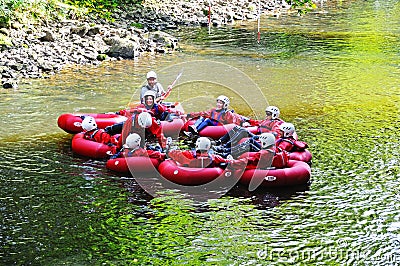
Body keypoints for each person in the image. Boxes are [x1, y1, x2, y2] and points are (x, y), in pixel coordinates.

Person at [212, 105, 284, 148]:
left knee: (242, 131)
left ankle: (225, 147)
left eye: (268, 114)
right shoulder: (266, 121)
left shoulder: (276, 123)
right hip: (258, 135)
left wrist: (262, 136)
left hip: (262, 138)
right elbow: (257, 122)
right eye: (266, 113)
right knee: (237, 128)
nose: (266, 115)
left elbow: (275, 134)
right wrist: (246, 120)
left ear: (274, 115)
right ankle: (219, 142)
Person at [167, 137, 247, 169]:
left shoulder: (187, 154)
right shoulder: (214, 157)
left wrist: (168, 151)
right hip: (209, 172)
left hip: (189, 170)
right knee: (225, 157)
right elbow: (227, 162)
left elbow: (172, 154)